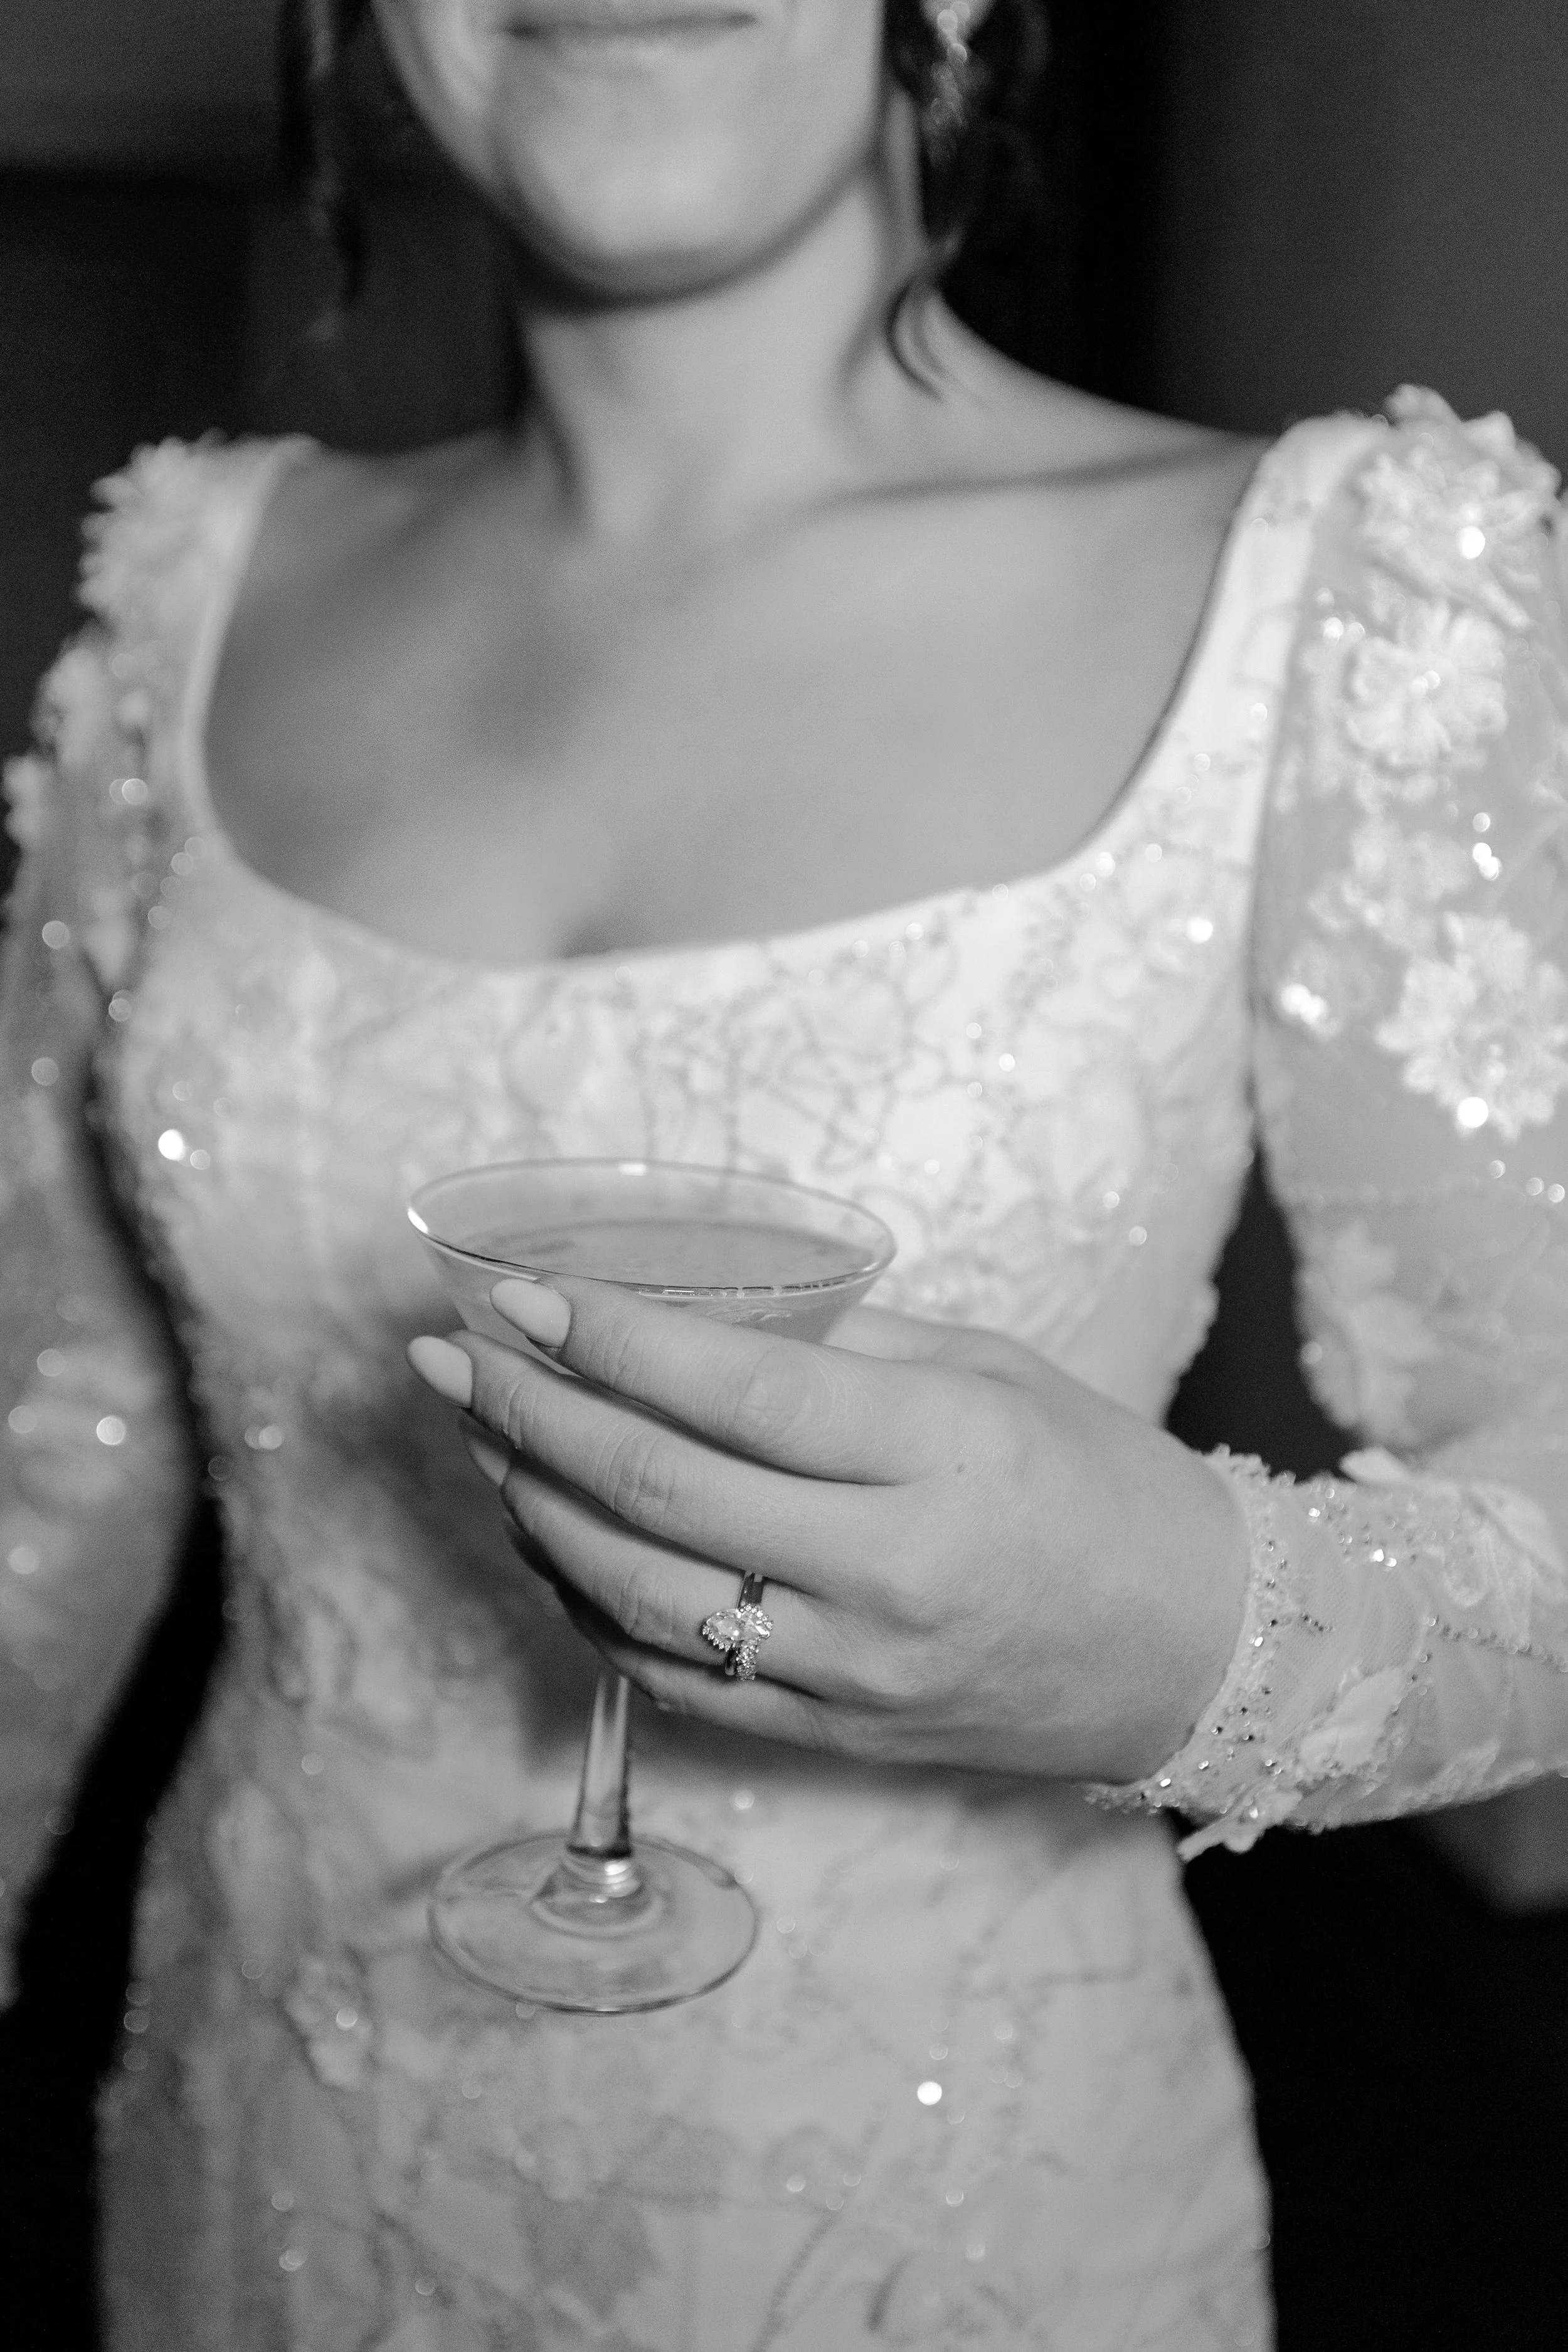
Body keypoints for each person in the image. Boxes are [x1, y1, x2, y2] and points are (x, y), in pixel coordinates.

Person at [3, 0, 1565, 2343]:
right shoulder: (185, 597)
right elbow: (46, 1467)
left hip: (961, 2222)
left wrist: (1177, 1621)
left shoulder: (1349, 580)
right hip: (269, 2162)